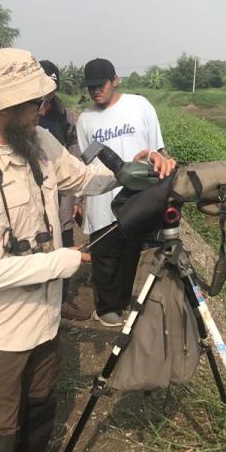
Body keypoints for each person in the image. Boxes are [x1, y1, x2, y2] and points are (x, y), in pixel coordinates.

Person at [0, 48, 174, 452]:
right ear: (6, 107)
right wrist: (60, 261)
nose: (45, 109)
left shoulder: (39, 142)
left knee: (36, 426)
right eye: (36, 102)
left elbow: (82, 178)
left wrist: (130, 172)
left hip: (44, 326)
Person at [76, 58, 172, 327]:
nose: (96, 91)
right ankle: (107, 307)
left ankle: (129, 300)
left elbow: (159, 150)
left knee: (133, 249)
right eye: (91, 87)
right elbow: (82, 164)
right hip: (100, 195)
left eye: (101, 85)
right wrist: (79, 199)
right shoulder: (85, 120)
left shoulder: (139, 106)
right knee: (104, 253)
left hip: (139, 195)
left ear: (115, 80)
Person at [37, 59, 88, 321]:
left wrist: (78, 195)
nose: (45, 105)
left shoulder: (61, 111)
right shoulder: (25, 113)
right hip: (35, 189)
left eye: (51, 94)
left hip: (63, 186)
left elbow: (74, 148)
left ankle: (61, 299)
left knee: (65, 237)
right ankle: (40, 303)